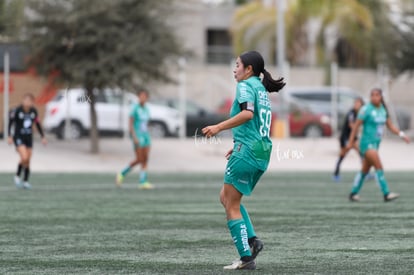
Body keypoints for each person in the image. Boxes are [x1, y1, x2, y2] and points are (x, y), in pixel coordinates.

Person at [202, 51, 285, 270]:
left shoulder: (245, 86)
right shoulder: (261, 89)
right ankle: (252, 240)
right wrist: (238, 143)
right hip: (260, 150)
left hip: (247, 151)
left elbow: (247, 114)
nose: (234, 68)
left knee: (231, 203)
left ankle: (246, 258)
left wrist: (218, 127)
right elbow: (255, 123)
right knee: (226, 197)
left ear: (248, 69)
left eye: (237, 65)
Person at [347, 88, 410, 202]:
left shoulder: (383, 110)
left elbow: (390, 126)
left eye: (377, 95)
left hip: (375, 145)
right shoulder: (365, 109)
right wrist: (351, 141)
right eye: (372, 95)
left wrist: (402, 134)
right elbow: (356, 126)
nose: (374, 97)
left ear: (381, 97)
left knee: (364, 170)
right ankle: (386, 193)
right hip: (366, 144)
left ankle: (353, 193)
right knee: (379, 166)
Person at [8, 93, 47, 189]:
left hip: (28, 138)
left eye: (29, 101)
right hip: (18, 137)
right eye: (26, 100)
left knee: (28, 160)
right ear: (23, 100)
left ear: (32, 102)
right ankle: (17, 176)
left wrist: (43, 136)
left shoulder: (33, 111)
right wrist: (9, 136)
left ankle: (25, 181)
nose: (27, 102)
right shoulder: (17, 110)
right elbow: (11, 123)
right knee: (24, 157)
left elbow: (37, 124)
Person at [116, 89, 153, 189]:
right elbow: (131, 123)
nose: (143, 98)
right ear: (138, 97)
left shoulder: (146, 109)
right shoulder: (134, 108)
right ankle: (122, 173)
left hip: (146, 136)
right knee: (139, 159)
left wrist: (149, 131)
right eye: (141, 96)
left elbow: (146, 123)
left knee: (145, 159)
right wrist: (134, 136)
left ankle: (143, 181)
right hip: (138, 136)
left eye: (145, 96)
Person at [332, 97, 364, 182]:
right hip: (345, 137)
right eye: (355, 103)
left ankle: (365, 172)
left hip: (353, 138)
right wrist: (360, 129)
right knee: (342, 155)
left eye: (358, 103)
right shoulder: (351, 113)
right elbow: (351, 125)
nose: (356, 105)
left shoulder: (361, 113)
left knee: (361, 153)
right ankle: (336, 174)